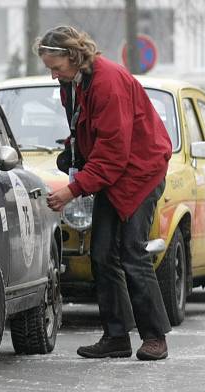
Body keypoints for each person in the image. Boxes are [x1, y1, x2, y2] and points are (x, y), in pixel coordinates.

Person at [37, 26, 173, 361]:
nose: (53, 76)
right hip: (115, 176)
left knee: (131, 252)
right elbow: (88, 131)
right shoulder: (74, 84)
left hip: (140, 173)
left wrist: (73, 189)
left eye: (55, 67)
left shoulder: (107, 82)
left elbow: (114, 152)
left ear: (72, 56)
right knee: (101, 254)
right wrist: (74, 152)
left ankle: (155, 337)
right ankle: (116, 337)